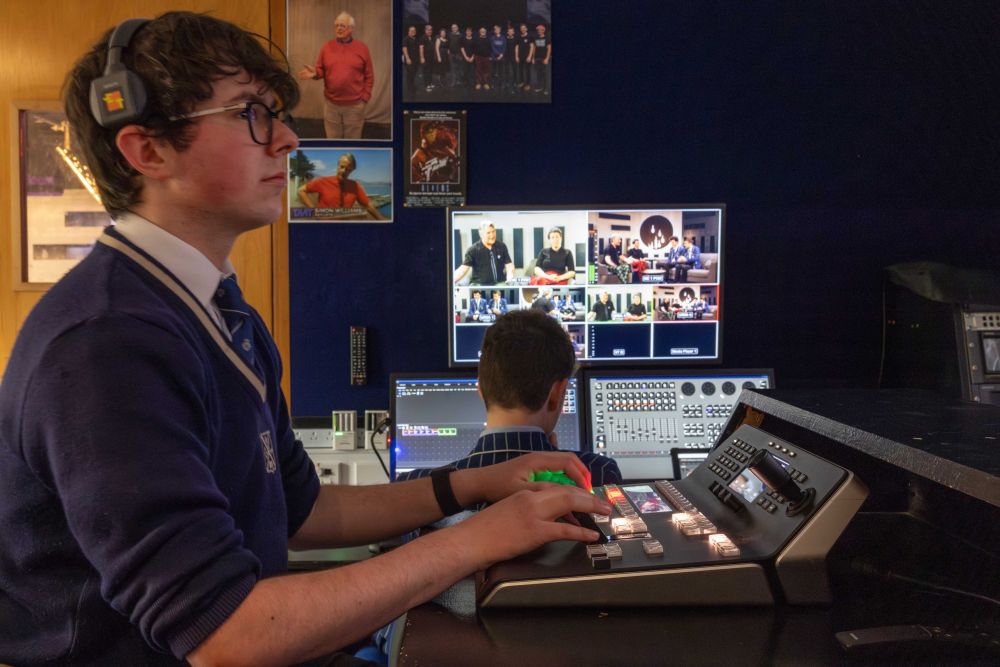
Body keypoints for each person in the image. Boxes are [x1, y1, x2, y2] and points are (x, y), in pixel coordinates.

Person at [0, 14, 611, 665]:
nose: (290, 139)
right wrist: (478, 539)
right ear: (147, 150)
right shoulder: (108, 345)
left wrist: (475, 485)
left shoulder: (220, 310)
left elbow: (306, 508)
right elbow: (225, 635)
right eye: (253, 115)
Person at [396, 309, 622, 490]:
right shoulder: (598, 473)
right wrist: (552, 456)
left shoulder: (415, 488)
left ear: (481, 389)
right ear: (556, 394)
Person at [297, 11, 373, 139]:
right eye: (336, 25)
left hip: (355, 106)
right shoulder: (326, 47)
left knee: (352, 143)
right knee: (332, 140)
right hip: (331, 105)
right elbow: (321, 70)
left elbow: (369, 75)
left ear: (351, 28)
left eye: (342, 25)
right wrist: (316, 73)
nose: (338, 28)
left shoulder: (362, 48)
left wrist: (365, 97)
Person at [298, 152, 386, 220]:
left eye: (348, 169)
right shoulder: (324, 181)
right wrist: (313, 209)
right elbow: (301, 190)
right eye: (342, 167)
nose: (343, 171)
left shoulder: (355, 186)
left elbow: (368, 205)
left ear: (352, 170)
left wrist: (383, 221)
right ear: (338, 165)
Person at [453, 220, 514, 285]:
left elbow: (509, 265)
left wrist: (510, 276)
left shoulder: (502, 246)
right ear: (481, 235)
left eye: (493, 231)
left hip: (499, 283)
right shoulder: (473, 250)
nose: (492, 235)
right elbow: (463, 270)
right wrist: (450, 282)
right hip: (479, 285)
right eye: (488, 233)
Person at [528, 24, 551, 94]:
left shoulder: (547, 38)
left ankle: (546, 88)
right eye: (538, 30)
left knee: (545, 74)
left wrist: (547, 58)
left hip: (544, 58)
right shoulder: (536, 38)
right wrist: (533, 58)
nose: (539, 31)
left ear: (544, 31)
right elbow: (534, 48)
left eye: (541, 30)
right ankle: (540, 87)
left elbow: (549, 49)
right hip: (537, 58)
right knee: (539, 74)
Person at [402, 25, 419, 98]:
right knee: (410, 75)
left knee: (413, 74)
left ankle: (412, 86)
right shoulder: (406, 39)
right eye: (411, 31)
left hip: (415, 60)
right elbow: (404, 48)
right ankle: (410, 90)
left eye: (414, 31)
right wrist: (407, 58)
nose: (413, 32)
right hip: (409, 60)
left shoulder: (415, 39)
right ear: (408, 31)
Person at [515, 23, 533, 91]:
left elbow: (532, 46)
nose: (523, 29)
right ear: (520, 29)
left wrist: (529, 56)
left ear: (526, 29)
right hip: (520, 57)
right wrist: (517, 56)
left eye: (524, 28)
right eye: (521, 28)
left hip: (527, 57)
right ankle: (522, 82)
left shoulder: (530, 36)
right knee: (520, 70)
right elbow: (517, 47)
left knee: (527, 70)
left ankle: (528, 84)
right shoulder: (518, 36)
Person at [418, 23, 435, 91]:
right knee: (426, 72)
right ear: (425, 30)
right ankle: (427, 85)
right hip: (425, 58)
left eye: (430, 30)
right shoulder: (422, 38)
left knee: (430, 71)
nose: (429, 31)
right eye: (428, 30)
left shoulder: (431, 37)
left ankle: (430, 83)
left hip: (431, 58)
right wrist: (422, 58)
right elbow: (421, 48)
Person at [489, 25, 506, 90]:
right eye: (495, 29)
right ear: (494, 30)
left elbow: (504, 47)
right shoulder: (492, 38)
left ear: (500, 30)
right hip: (494, 57)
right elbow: (492, 47)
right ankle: (493, 84)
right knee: (493, 71)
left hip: (501, 57)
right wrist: (497, 54)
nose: (496, 30)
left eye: (498, 29)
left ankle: (501, 84)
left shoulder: (503, 38)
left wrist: (501, 54)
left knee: (501, 71)